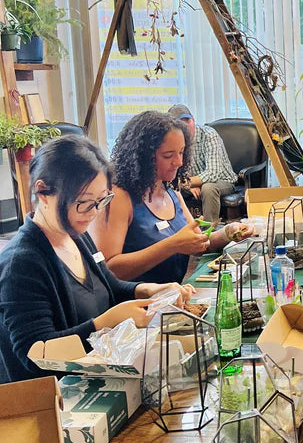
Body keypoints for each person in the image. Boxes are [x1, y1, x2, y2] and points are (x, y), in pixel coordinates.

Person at [0, 136, 194, 383]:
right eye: (83, 203)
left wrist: (147, 290)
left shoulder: (77, 236)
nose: (93, 213)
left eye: (101, 201)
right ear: (43, 192)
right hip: (56, 396)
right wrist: (105, 324)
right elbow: (35, 357)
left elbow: (108, 287)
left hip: (96, 376)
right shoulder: (21, 264)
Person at [91, 110, 250, 285]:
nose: (179, 162)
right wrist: (172, 245)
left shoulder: (171, 192)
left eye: (181, 152)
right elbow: (109, 269)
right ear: (143, 157)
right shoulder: (119, 197)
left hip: (171, 296)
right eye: (168, 155)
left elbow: (199, 244)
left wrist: (228, 232)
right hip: (136, 300)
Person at [167, 104, 237, 223]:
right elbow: (171, 175)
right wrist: (188, 186)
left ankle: (209, 230)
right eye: (180, 123)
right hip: (189, 183)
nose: (186, 126)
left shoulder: (209, 135)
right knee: (168, 189)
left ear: (193, 120)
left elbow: (213, 174)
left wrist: (187, 183)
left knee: (208, 188)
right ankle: (180, 228)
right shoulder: (173, 141)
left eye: (188, 121)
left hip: (222, 181)